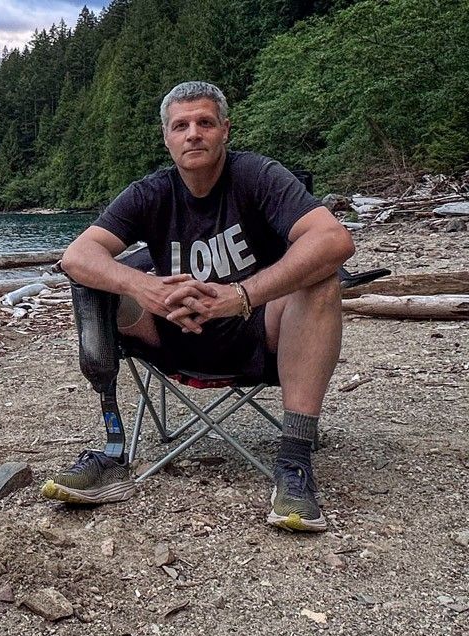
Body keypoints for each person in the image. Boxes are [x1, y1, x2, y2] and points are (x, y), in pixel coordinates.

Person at [40, 81, 355, 533]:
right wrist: (145, 288)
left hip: (259, 335)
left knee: (321, 278)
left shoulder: (257, 176)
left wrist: (240, 296)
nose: (193, 134)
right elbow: (76, 255)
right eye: (181, 126)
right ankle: (112, 449)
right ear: (167, 138)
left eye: (205, 123)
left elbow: (334, 238)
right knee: (93, 282)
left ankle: (294, 462)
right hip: (168, 337)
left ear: (225, 130)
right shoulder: (151, 192)